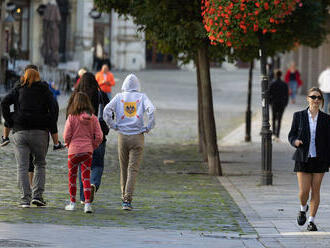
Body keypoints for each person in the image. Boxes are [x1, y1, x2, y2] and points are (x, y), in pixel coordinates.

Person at [1, 69, 58, 207]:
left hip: (20, 131)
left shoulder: (18, 89)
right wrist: (50, 122)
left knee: (22, 166)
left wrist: (10, 120)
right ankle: (37, 196)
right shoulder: (45, 90)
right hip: (40, 132)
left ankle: (24, 199)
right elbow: (54, 107)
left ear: (24, 77)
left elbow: (4, 103)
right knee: (40, 164)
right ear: (39, 77)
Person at [103, 73, 155, 210]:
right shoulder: (142, 97)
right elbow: (152, 111)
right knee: (133, 169)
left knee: (123, 168)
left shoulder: (119, 97)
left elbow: (106, 110)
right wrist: (148, 127)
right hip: (137, 136)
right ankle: (127, 199)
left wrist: (113, 125)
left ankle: (123, 196)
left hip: (122, 136)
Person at [288, 87, 330, 231]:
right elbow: (291, 135)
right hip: (303, 157)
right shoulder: (298, 116)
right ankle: (302, 208)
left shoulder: (326, 119)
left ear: (321, 101)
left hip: (320, 159)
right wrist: (295, 142)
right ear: (308, 98)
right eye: (313, 97)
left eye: (319, 98)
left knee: (315, 190)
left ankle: (311, 221)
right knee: (303, 191)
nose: (316, 100)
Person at [67, 72, 110, 204]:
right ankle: (93, 184)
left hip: (79, 137)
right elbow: (109, 111)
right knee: (97, 164)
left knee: (82, 166)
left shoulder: (75, 96)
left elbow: (68, 116)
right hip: (98, 134)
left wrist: (68, 140)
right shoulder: (100, 94)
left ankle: (82, 197)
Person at [63, 92, 103, 213]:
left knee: (72, 177)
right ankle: (87, 205)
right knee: (86, 178)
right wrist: (93, 145)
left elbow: (66, 135)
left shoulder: (71, 117)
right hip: (87, 151)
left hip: (73, 152)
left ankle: (73, 203)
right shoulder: (93, 118)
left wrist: (68, 145)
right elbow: (100, 136)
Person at [269, 70, 289, 141]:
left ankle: (274, 134)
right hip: (282, 103)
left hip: (274, 103)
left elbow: (269, 94)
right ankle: (277, 135)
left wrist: (270, 102)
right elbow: (287, 95)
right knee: (279, 119)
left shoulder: (272, 83)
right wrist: (286, 103)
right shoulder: (284, 84)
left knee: (274, 118)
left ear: (275, 75)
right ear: (281, 75)